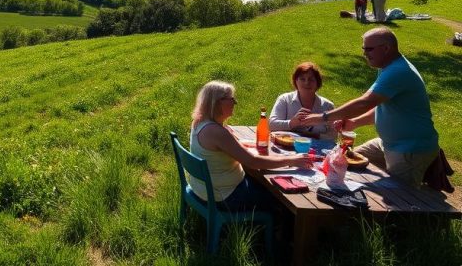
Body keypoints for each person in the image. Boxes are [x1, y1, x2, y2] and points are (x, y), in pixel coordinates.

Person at [297, 28, 440, 186]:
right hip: (388, 143)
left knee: (399, 197)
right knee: (345, 161)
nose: (365, 54)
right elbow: (381, 106)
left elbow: (365, 102)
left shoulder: (398, 71)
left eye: (369, 49)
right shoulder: (387, 67)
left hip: (410, 149)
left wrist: (322, 117)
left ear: (386, 48)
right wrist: (355, 122)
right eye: (363, 49)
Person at [188, 81, 313, 211]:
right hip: (225, 197)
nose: (234, 103)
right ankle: (276, 228)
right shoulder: (216, 132)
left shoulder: (200, 122)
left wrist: (241, 143)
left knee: (263, 183)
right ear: (217, 102)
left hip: (204, 190)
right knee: (281, 199)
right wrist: (292, 160)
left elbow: (224, 147)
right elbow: (253, 162)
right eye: (231, 99)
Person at [269, 62, 336, 138]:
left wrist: (313, 136)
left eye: (311, 79)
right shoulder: (285, 100)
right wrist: (291, 123)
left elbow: (333, 135)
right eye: (302, 79)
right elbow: (271, 125)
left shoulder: (327, 106)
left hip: (317, 148)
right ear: (296, 81)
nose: (307, 82)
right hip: (286, 146)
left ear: (317, 83)